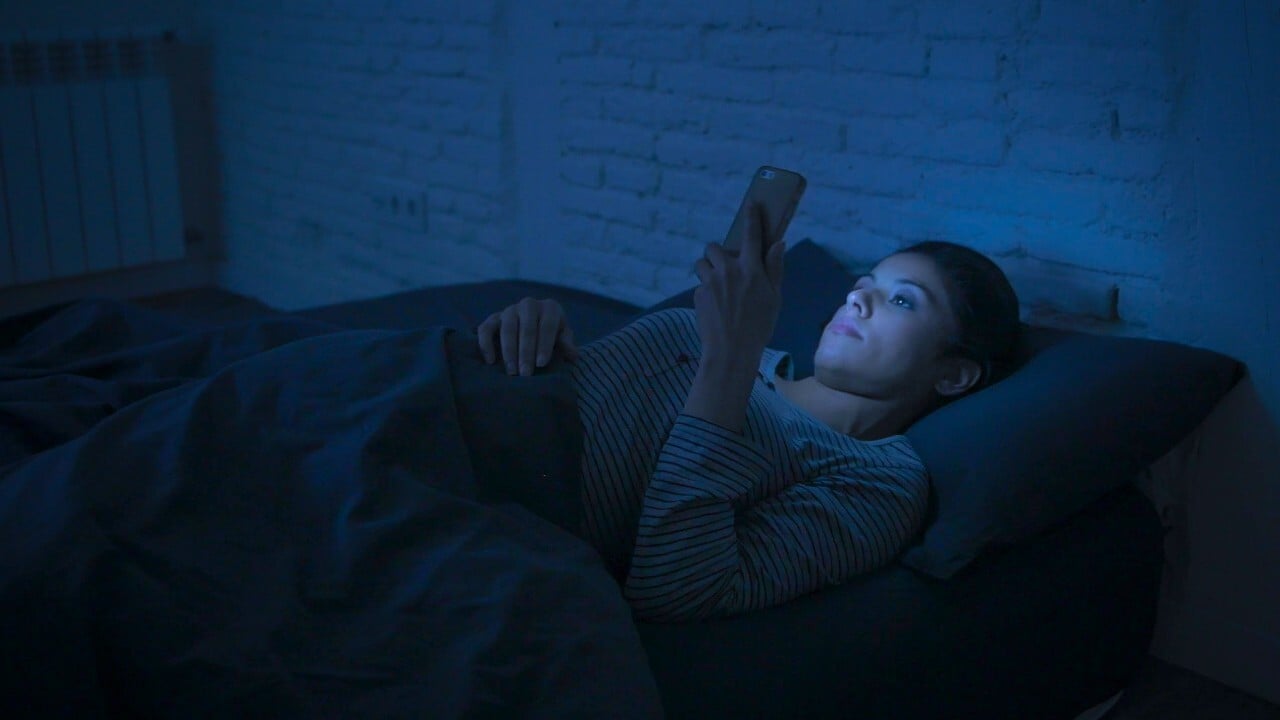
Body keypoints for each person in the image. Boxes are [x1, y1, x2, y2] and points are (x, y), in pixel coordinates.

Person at [476, 205, 1021, 622]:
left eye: (903, 300)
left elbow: (679, 586)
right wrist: (533, 329)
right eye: (863, 285)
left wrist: (730, 358)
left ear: (954, 374)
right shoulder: (746, 348)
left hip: (477, 486)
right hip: (449, 381)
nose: (856, 300)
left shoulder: (882, 481)